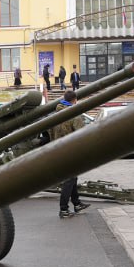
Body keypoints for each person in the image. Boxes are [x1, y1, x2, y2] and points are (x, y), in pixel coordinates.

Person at [49, 89, 90, 219]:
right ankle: (64, 209)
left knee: (73, 178)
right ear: (75, 100)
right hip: (71, 151)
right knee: (69, 179)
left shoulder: (55, 115)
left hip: (58, 150)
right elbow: (82, 135)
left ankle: (77, 203)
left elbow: (50, 133)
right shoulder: (74, 115)